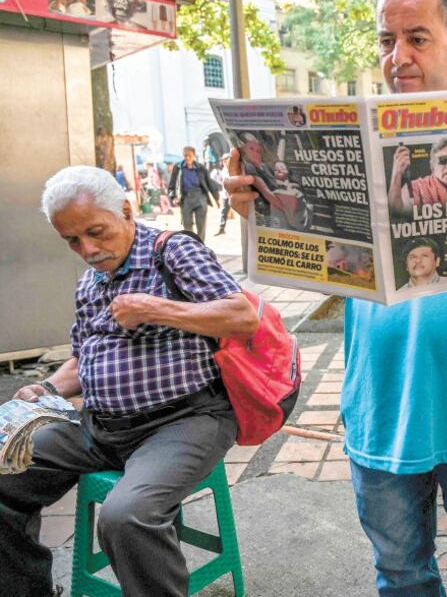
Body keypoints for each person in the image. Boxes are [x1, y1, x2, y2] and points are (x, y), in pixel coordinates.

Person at [226, 0, 447, 596]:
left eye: (418, 38)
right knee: (401, 579)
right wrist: (257, 211)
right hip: (383, 405)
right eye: (387, 40)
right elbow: (303, 261)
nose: (398, 57)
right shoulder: (360, 138)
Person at [0, 166, 258, 597]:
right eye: (73, 240)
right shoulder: (89, 283)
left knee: (126, 516)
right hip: (102, 426)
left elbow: (242, 317)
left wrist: (156, 309)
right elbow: (84, 359)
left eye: (96, 232)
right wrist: (48, 389)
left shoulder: (171, 251)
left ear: (125, 209)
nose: (88, 248)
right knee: (3, 471)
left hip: (184, 420)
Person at [389, 136, 447, 214]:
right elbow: (396, 212)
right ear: (432, 166)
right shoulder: (415, 188)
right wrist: (396, 174)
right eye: (443, 160)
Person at [168, 146, 218, 240]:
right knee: (187, 225)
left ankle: (200, 245)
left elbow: (210, 183)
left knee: (201, 224)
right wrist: (173, 197)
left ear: (194, 156)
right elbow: (171, 185)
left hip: (200, 197)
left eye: (189, 155)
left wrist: (216, 198)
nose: (187, 158)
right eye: (185, 155)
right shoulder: (178, 168)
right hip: (185, 198)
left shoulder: (201, 168)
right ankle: (191, 244)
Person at [213, 157, 231, 235]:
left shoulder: (233, 169)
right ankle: (221, 228)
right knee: (224, 212)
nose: (225, 162)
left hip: (233, 194)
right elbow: (217, 179)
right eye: (224, 161)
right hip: (225, 195)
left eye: (226, 160)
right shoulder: (223, 171)